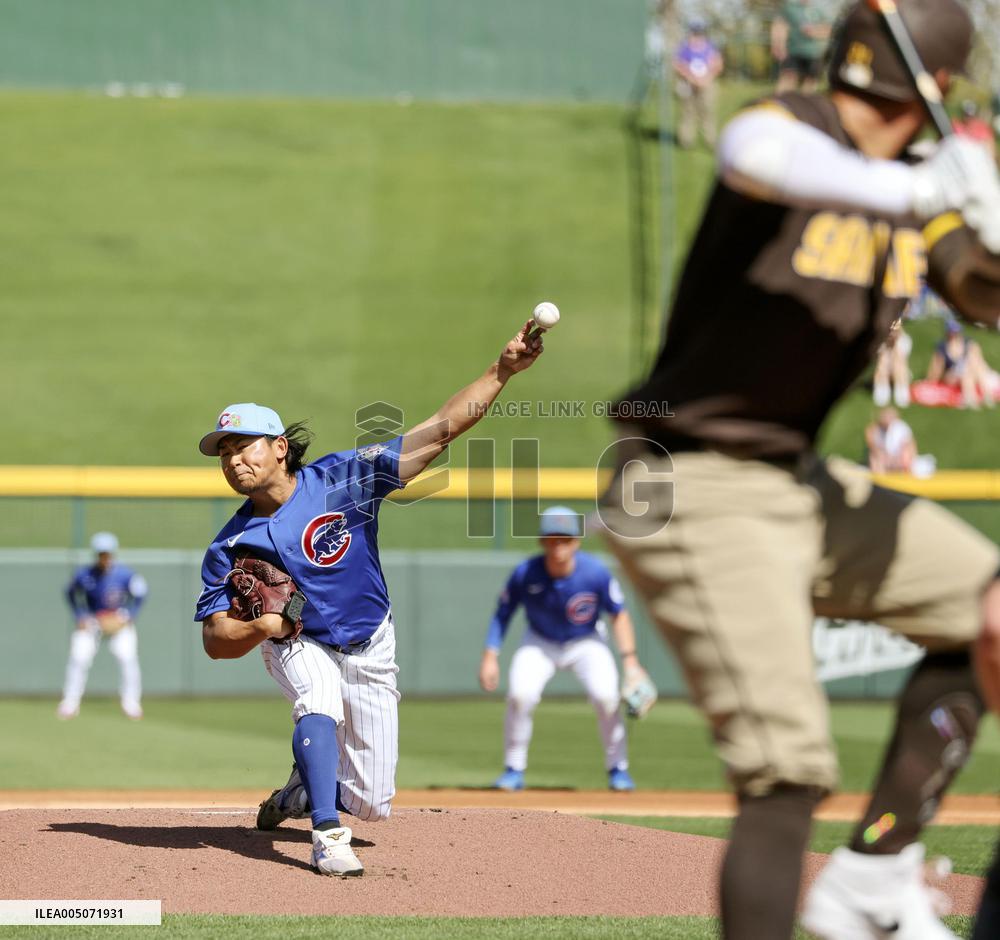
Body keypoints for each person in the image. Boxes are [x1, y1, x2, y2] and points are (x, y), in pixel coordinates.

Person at [596, 1, 1000, 937]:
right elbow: (750, 150)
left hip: (793, 481)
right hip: (684, 480)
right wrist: (920, 191)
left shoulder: (915, 177)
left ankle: (875, 871)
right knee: (787, 774)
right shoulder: (801, 132)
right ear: (937, 88)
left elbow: (976, 290)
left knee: (985, 608)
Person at [194, 323, 543, 877]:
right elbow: (215, 641)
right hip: (299, 640)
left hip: (372, 639)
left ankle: (303, 792)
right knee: (318, 701)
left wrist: (501, 370)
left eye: (244, 446)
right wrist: (264, 626)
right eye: (224, 453)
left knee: (374, 803)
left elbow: (437, 433)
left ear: (280, 447)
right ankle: (327, 835)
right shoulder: (229, 545)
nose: (234, 460)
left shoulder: (341, 479)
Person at [478, 506, 650, 792]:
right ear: (542, 541)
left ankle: (618, 769)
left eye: (565, 539)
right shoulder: (526, 572)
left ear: (576, 542)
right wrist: (490, 655)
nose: (558, 545)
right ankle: (513, 769)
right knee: (521, 695)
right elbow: (503, 613)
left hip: (587, 641)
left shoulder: (595, 573)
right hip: (540, 641)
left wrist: (631, 664)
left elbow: (619, 614)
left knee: (607, 698)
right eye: (552, 538)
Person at [58, 532, 146, 721]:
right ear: (96, 555)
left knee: (128, 659)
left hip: (118, 620)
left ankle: (131, 702)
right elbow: (70, 592)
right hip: (94, 621)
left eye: (107, 553)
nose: (104, 557)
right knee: (79, 658)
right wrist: (80, 615)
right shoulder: (85, 574)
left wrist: (129, 615)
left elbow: (141, 593)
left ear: (113, 554)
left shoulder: (125, 574)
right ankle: (70, 702)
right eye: (101, 553)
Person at [672, 18, 724, 149]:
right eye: (694, 32)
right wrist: (690, 78)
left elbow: (718, 64)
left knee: (707, 112)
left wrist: (706, 78)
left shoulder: (710, 47)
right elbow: (678, 65)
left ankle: (711, 140)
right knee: (688, 113)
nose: (696, 35)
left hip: (707, 84)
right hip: (688, 84)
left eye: (699, 32)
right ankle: (686, 141)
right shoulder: (684, 47)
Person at [926, 319, 999, 408]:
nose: (953, 334)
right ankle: (973, 398)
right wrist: (930, 381)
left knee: (972, 365)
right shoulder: (942, 347)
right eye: (952, 332)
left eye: (955, 332)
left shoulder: (969, 343)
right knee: (967, 371)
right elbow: (936, 369)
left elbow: (979, 361)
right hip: (952, 374)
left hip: (970, 371)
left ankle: (983, 397)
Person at [770, 0, 834, 94]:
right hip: (793, 51)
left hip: (814, 53)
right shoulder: (790, 8)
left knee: (810, 82)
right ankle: (779, 104)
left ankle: (803, 105)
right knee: (788, 79)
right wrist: (777, 45)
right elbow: (779, 26)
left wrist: (814, 31)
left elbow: (829, 30)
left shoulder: (818, 10)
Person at [872, 317, 912, 407]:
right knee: (882, 363)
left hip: (899, 371)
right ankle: (882, 391)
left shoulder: (905, 341)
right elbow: (880, 360)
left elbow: (900, 359)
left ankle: (901, 392)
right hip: (885, 371)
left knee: (898, 365)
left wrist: (895, 343)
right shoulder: (881, 341)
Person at [864, 407, 916, 473]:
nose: (888, 419)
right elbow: (872, 445)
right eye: (886, 417)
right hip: (883, 456)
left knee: (906, 454)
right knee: (874, 457)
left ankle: (905, 473)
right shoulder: (874, 429)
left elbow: (909, 446)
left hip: (898, 456)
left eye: (890, 417)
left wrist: (897, 458)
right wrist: (883, 455)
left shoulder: (901, 428)